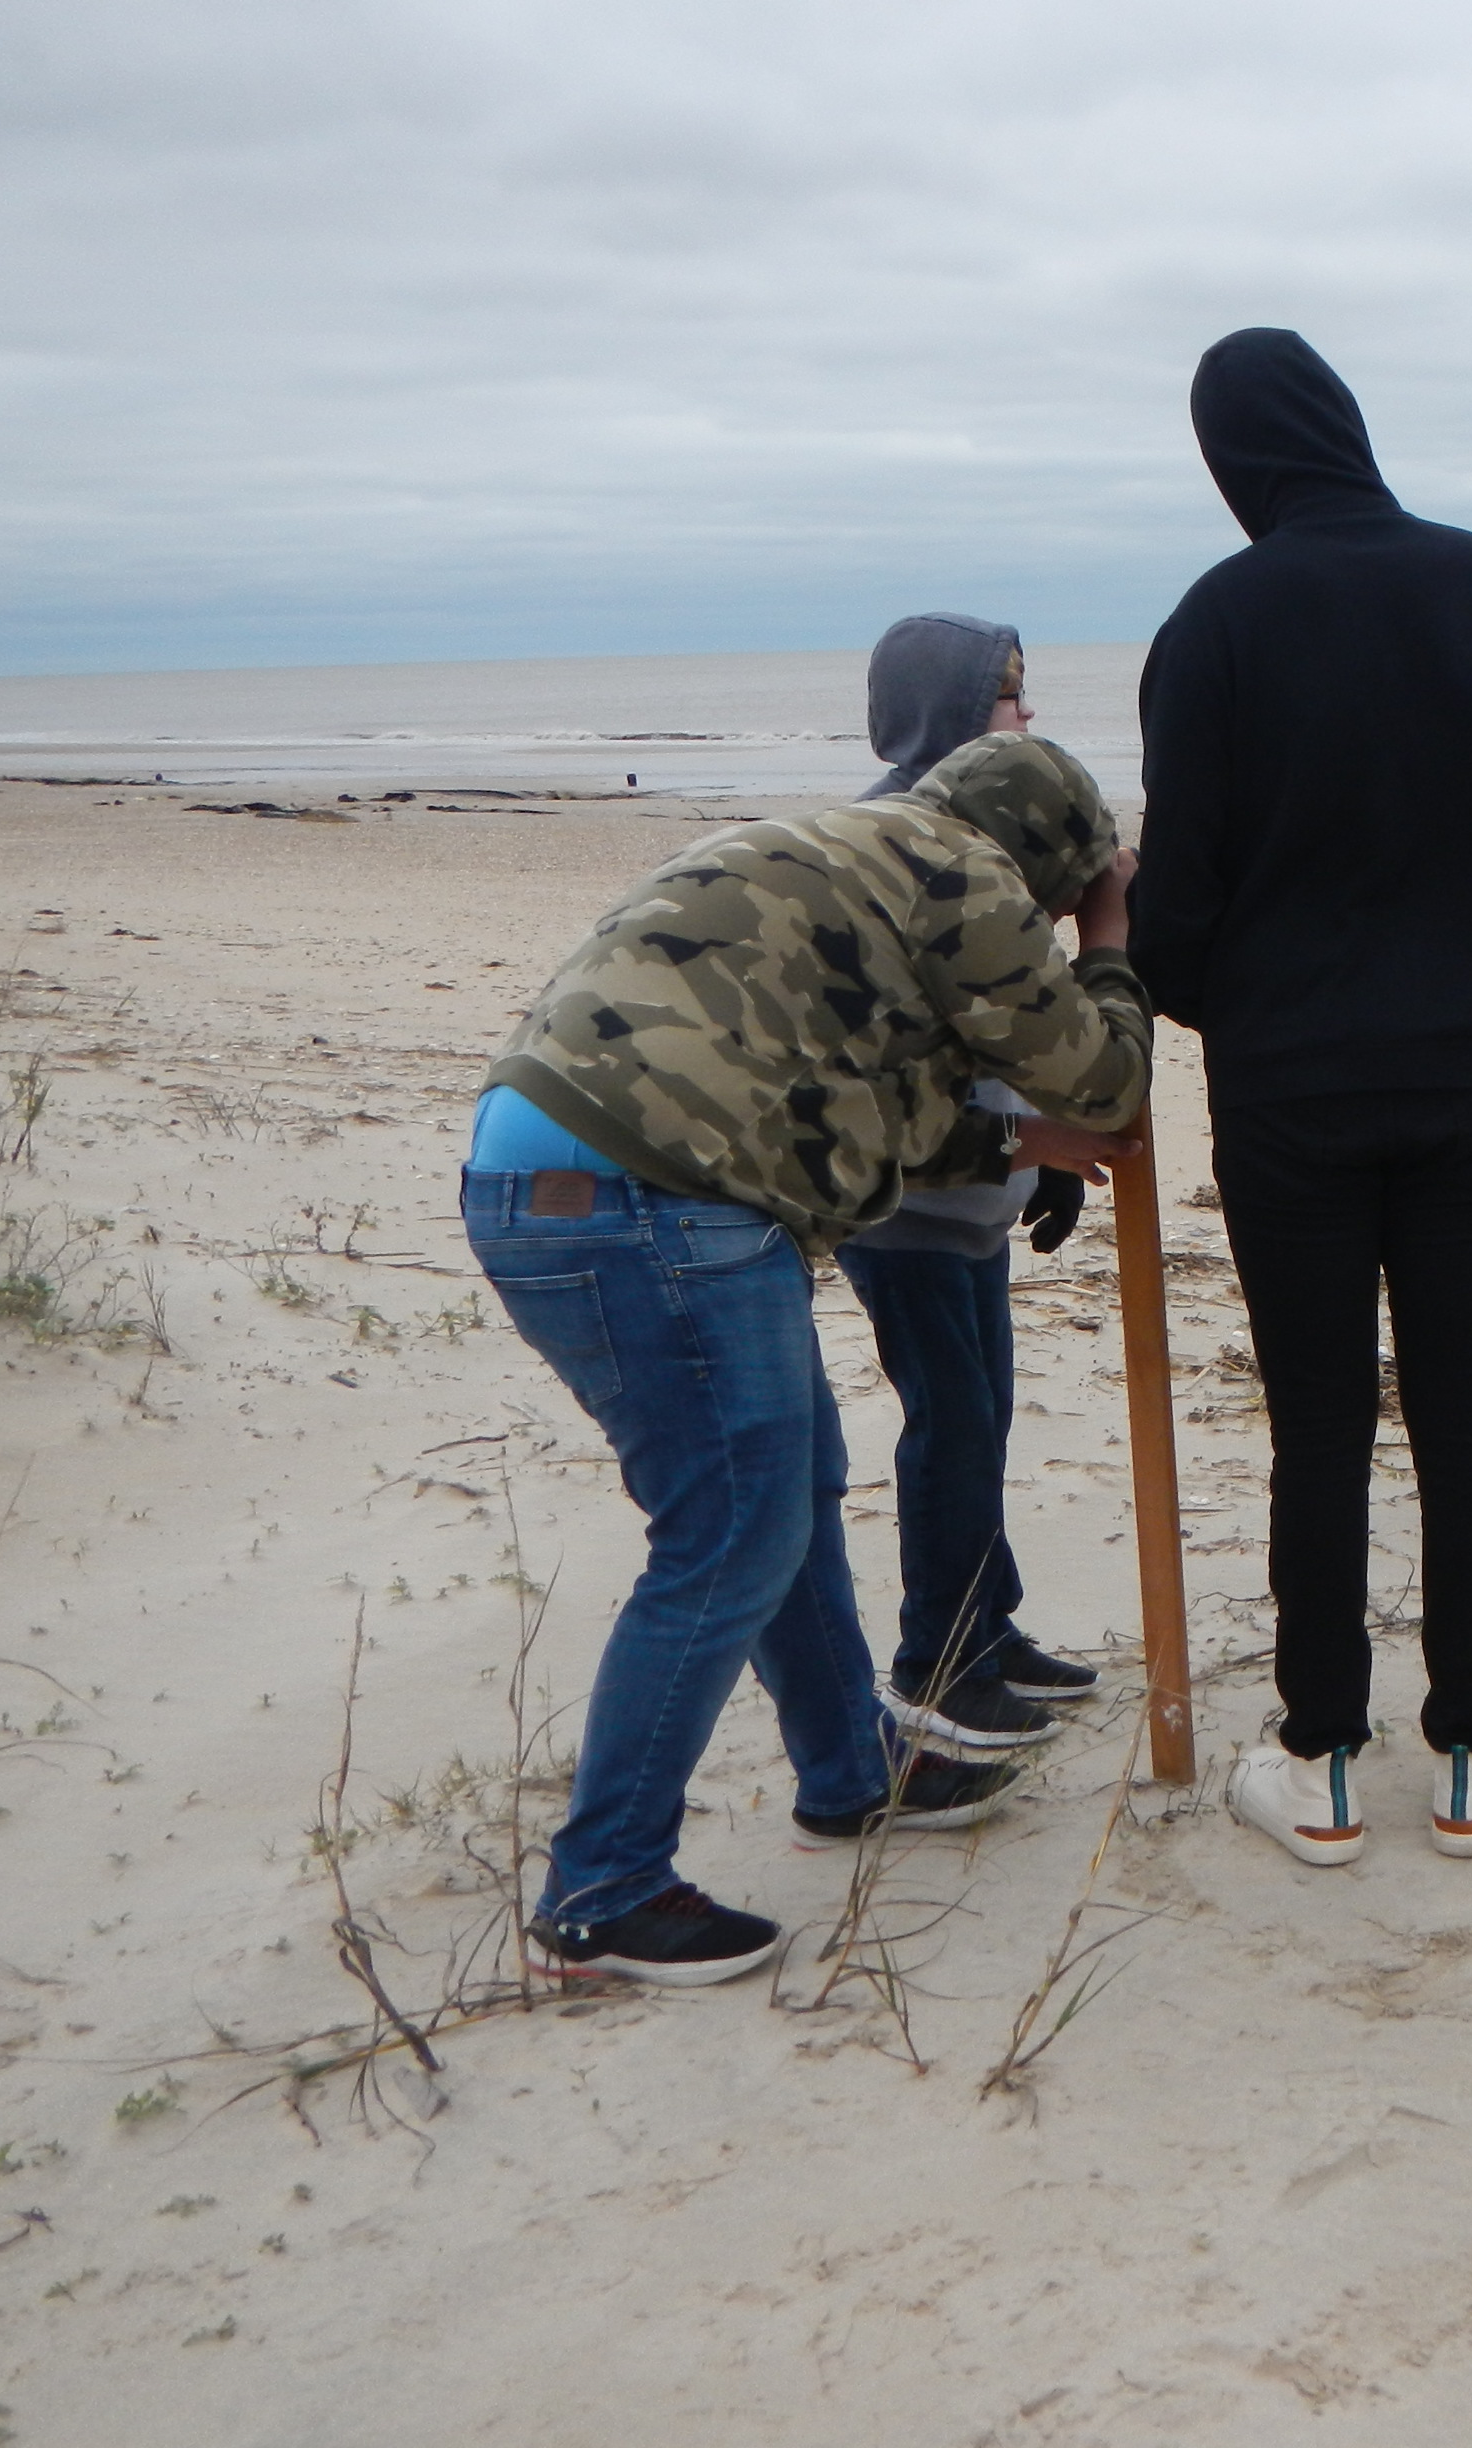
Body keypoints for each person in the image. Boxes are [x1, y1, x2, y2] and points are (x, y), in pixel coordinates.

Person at [462, 726, 1150, 1984]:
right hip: (654, 1201)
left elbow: (841, 1090)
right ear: (1046, 855)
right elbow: (1104, 1083)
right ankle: (603, 1886)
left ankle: (849, 1773)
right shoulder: (965, 875)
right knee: (731, 1529)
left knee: (785, 1487)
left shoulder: (843, 850)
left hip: (546, 1178)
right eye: (1059, 894)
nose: (1049, 921)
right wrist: (1107, 932)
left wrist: (1008, 1152)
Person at [1130, 328, 1472, 1869]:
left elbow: (1175, 904)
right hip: (1469, 1079)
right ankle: (1470, 1749)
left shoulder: (1215, 623)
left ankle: (1321, 1754)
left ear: (1230, 459)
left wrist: (1238, 1004)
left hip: (1290, 1095)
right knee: (1464, 1419)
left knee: (1318, 1425)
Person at [833, 616, 1135, 1757]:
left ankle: (986, 1623)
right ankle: (937, 1657)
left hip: (977, 1193)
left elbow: (1009, 1018)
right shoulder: (901, 841)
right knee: (951, 1417)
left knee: (987, 1411)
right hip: (906, 1196)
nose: (1028, 717)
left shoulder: (994, 836)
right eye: (1010, 699)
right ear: (952, 715)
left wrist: (1043, 1167)